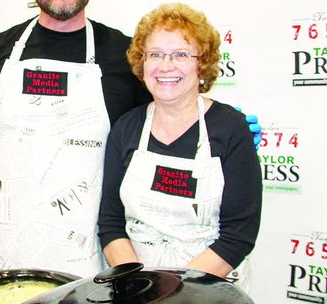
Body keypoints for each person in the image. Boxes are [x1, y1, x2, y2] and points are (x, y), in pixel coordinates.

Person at [0, 0, 261, 279]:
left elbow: (171, 103)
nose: (165, 61)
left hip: (83, 259)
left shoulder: (124, 57)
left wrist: (222, 126)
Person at [97, 3, 262, 291]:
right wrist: (139, 288)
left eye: (181, 54)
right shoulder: (126, 128)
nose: (165, 66)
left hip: (209, 289)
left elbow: (238, 236)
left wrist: (174, 293)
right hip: (138, 288)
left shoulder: (230, 128)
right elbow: (111, 223)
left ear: (202, 64)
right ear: (142, 62)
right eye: (156, 54)